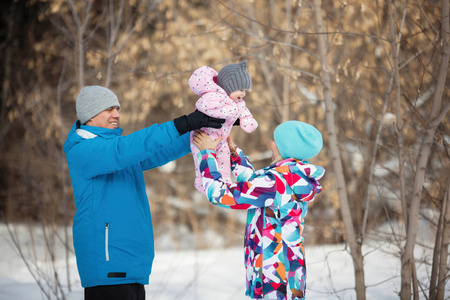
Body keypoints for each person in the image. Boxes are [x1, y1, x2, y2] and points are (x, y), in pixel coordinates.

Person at [63, 85, 225, 300]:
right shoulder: (83, 150)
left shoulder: (118, 150)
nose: (117, 114)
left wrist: (206, 128)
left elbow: (160, 149)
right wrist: (182, 123)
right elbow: (128, 148)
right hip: (108, 265)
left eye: (117, 108)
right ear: (90, 114)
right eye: (109, 109)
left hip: (129, 266)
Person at [192, 120, 325, 300]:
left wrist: (206, 154)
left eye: (274, 140)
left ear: (286, 147)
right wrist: (234, 154)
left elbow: (219, 194)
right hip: (287, 270)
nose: (270, 143)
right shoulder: (292, 177)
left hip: (274, 275)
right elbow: (254, 184)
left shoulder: (275, 183)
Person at [188, 60, 258, 193]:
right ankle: (201, 182)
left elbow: (244, 112)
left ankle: (225, 182)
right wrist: (229, 112)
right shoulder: (213, 96)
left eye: (245, 90)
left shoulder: (237, 102)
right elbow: (205, 107)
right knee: (201, 160)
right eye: (241, 89)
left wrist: (247, 121)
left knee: (224, 161)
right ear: (229, 86)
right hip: (203, 137)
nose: (243, 94)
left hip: (221, 138)